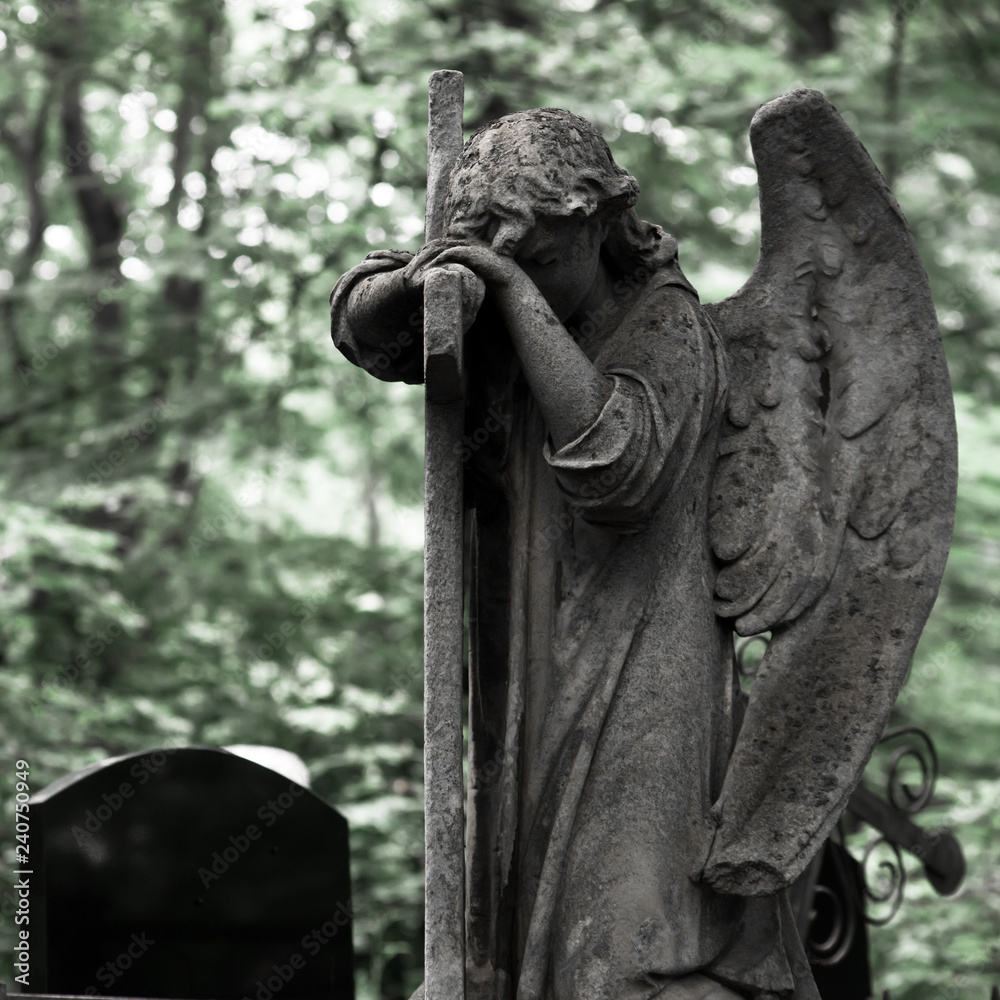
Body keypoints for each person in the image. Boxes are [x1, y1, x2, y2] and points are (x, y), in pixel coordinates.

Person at [330, 108, 819, 1000]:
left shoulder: (672, 327)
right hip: (527, 655)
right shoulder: (509, 301)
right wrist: (431, 283)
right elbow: (370, 329)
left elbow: (619, 470)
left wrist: (510, 296)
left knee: (619, 943)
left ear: (598, 222)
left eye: (545, 262)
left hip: (641, 667)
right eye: (509, 264)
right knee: (518, 946)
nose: (532, 282)